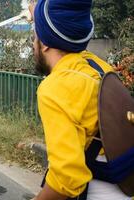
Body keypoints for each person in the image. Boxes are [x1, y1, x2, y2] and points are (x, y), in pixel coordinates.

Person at [28, 1, 132, 200]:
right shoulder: (98, 67)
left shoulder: (55, 88)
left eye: (34, 37)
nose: (33, 43)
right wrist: (39, 16)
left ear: (46, 43)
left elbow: (67, 180)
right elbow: (67, 28)